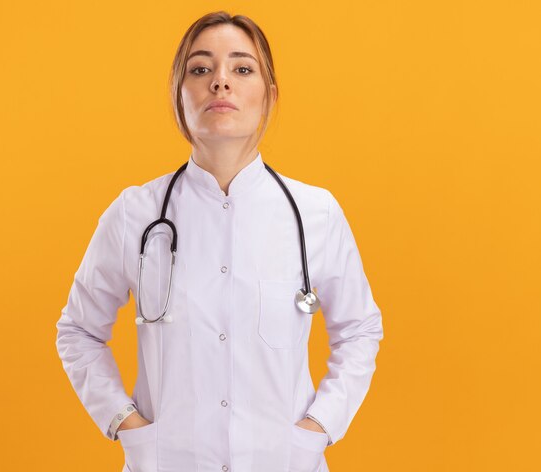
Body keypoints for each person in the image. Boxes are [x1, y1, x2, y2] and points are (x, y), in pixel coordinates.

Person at [56, 10, 384, 472]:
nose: (221, 82)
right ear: (179, 94)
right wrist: (126, 424)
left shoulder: (316, 214)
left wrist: (318, 429)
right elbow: (78, 330)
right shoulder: (136, 213)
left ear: (268, 97)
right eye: (201, 68)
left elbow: (360, 330)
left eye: (242, 68)